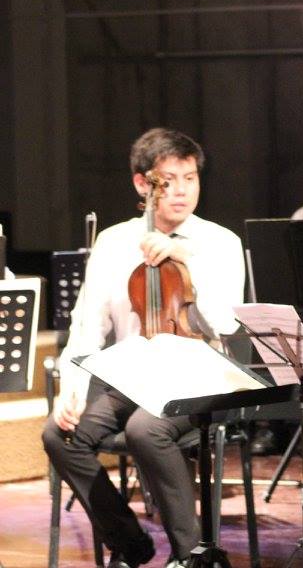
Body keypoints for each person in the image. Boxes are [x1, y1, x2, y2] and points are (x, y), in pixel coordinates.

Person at [42, 128, 245, 568]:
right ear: (142, 184)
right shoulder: (114, 242)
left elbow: (225, 325)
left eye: (190, 178)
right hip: (132, 378)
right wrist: (71, 389)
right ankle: (130, 542)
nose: (182, 191)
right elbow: (88, 325)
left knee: (144, 430)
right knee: (59, 434)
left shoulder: (220, 243)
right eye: (168, 181)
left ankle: (192, 555)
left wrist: (187, 260)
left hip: (202, 378)